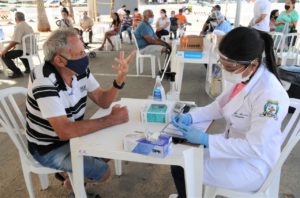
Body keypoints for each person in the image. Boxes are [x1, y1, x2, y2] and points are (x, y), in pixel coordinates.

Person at [170, 27, 289, 198]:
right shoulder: (244, 76)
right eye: (222, 63)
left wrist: (206, 140)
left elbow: (254, 148)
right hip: (233, 149)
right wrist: (190, 117)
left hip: (253, 165)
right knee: (181, 156)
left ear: (253, 64)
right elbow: (219, 106)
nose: (225, 70)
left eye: (229, 66)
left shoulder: (270, 95)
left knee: (182, 165)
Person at [26, 28, 136, 189]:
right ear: (59, 60)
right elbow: (65, 131)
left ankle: (69, 174)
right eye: (80, 54)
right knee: (104, 173)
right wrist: (112, 119)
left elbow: (103, 100)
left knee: (113, 146)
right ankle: (70, 180)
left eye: (84, 51)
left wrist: (120, 78)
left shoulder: (78, 71)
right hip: (48, 148)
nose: (85, 57)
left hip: (73, 137)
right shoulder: (44, 81)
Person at [0, 12, 33, 78]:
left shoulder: (19, 26)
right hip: (30, 49)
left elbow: (15, 41)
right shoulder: (28, 26)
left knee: (4, 56)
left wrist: (5, 50)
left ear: (16, 19)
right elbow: (18, 41)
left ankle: (17, 72)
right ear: (24, 18)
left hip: (24, 50)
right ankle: (28, 68)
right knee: (17, 52)